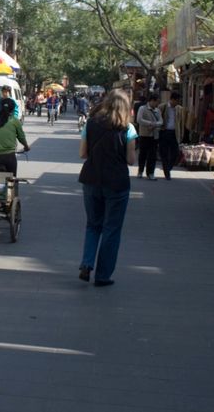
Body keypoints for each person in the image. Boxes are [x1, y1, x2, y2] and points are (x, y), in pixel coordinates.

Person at [78, 90, 137, 287]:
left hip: (91, 179)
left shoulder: (91, 123)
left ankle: (86, 263)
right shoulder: (127, 129)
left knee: (93, 224)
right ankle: (103, 275)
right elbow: (130, 160)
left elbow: (83, 154)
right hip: (117, 183)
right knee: (111, 229)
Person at [0, 98, 30, 174]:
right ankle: (12, 184)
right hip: (8, 157)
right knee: (12, 178)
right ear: (12, 109)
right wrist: (26, 146)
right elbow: (21, 137)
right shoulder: (15, 121)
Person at [157, 91, 185, 180]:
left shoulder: (179, 109)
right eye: (177, 101)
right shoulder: (162, 107)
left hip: (174, 133)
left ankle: (168, 167)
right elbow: (157, 119)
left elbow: (181, 122)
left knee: (175, 153)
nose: (178, 103)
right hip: (164, 132)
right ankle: (167, 173)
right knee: (164, 154)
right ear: (172, 99)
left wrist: (181, 134)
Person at [135, 93, 161, 180]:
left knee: (152, 155)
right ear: (152, 101)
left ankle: (150, 173)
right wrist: (149, 123)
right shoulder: (142, 108)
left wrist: (154, 124)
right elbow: (139, 119)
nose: (157, 104)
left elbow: (161, 122)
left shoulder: (158, 110)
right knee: (143, 154)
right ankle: (140, 171)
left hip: (154, 136)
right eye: (156, 102)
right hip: (144, 135)